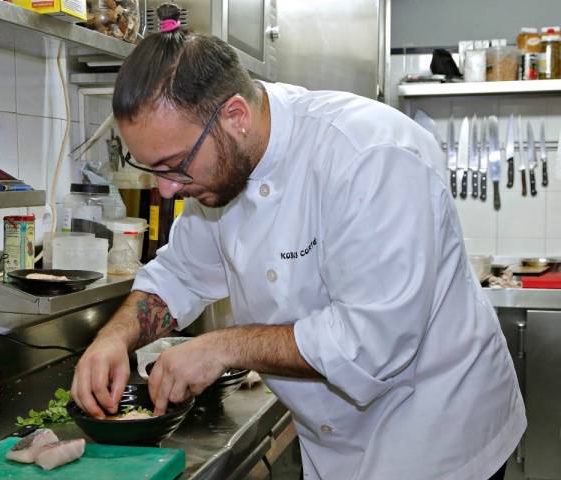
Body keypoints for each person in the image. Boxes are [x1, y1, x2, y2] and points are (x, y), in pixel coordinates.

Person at [71, 5, 526, 479]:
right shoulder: (216, 174)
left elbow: (370, 343)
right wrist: (114, 339)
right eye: (154, 170)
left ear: (235, 116)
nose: (166, 189)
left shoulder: (370, 157)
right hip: (332, 449)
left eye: (174, 164)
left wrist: (220, 348)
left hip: (438, 440)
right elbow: (179, 275)